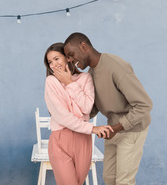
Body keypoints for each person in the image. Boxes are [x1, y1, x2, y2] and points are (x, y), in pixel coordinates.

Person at [63, 32, 153, 185]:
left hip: (131, 130)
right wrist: (66, 115)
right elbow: (92, 108)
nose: (70, 60)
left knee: (124, 181)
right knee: (109, 179)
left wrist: (118, 127)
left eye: (71, 54)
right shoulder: (91, 73)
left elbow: (144, 104)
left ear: (83, 46)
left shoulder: (115, 65)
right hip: (112, 129)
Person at [44, 42, 113, 185]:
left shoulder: (85, 78)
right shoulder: (51, 82)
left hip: (83, 140)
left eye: (57, 58)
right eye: (50, 62)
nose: (53, 64)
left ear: (67, 58)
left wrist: (69, 83)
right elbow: (62, 116)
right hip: (61, 139)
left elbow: (87, 108)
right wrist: (91, 127)